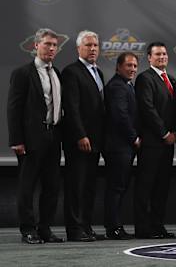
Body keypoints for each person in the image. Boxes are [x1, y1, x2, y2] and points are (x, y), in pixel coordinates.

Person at [7, 28, 64, 244]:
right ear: (36, 46)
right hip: (31, 139)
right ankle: (28, 230)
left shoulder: (56, 73)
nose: (51, 48)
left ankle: (45, 229)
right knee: (27, 186)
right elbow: (14, 109)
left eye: (54, 45)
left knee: (52, 187)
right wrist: (16, 140)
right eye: (47, 44)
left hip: (53, 137)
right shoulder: (22, 73)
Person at [62, 30, 105, 242]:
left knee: (88, 187)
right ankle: (75, 229)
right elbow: (72, 107)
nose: (93, 49)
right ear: (79, 48)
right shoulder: (71, 72)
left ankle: (86, 226)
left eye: (95, 45)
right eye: (88, 45)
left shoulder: (98, 72)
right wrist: (80, 135)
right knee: (76, 186)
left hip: (95, 141)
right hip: (80, 141)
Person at [134, 42, 176, 239]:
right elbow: (147, 109)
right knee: (146, 187)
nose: (162, 57)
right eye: (158, 54)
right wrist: (164, 133)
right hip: (152, 143)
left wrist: (175, 133)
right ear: (149, 58)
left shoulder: (172, 81)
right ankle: (143, 228)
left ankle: (158, 225)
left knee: (162, 188)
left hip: (168, 145)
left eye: (164, 54)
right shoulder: (145, 78)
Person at [103, 52, 140, 240]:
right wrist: (134, 138)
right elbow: (120, 115)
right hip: (118, 146)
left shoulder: (127, 85)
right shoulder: (117, 86)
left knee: (119, 187)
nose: (132, 69)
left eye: (135, 66)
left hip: (123, 146)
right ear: (118, 67)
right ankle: (114, 227)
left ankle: (114, 225)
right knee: (116, 187)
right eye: (128, 65)